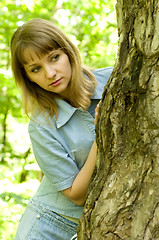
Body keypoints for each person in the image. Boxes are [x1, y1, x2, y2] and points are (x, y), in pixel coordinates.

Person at [10, 18, 113, 240]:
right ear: (28, 77)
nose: (50, 73)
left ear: (68, 52)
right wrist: (102, 135)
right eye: (36, 69)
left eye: (54, 58)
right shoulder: (41, 126)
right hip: (49, 228)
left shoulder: (113, 80)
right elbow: (76, 194)